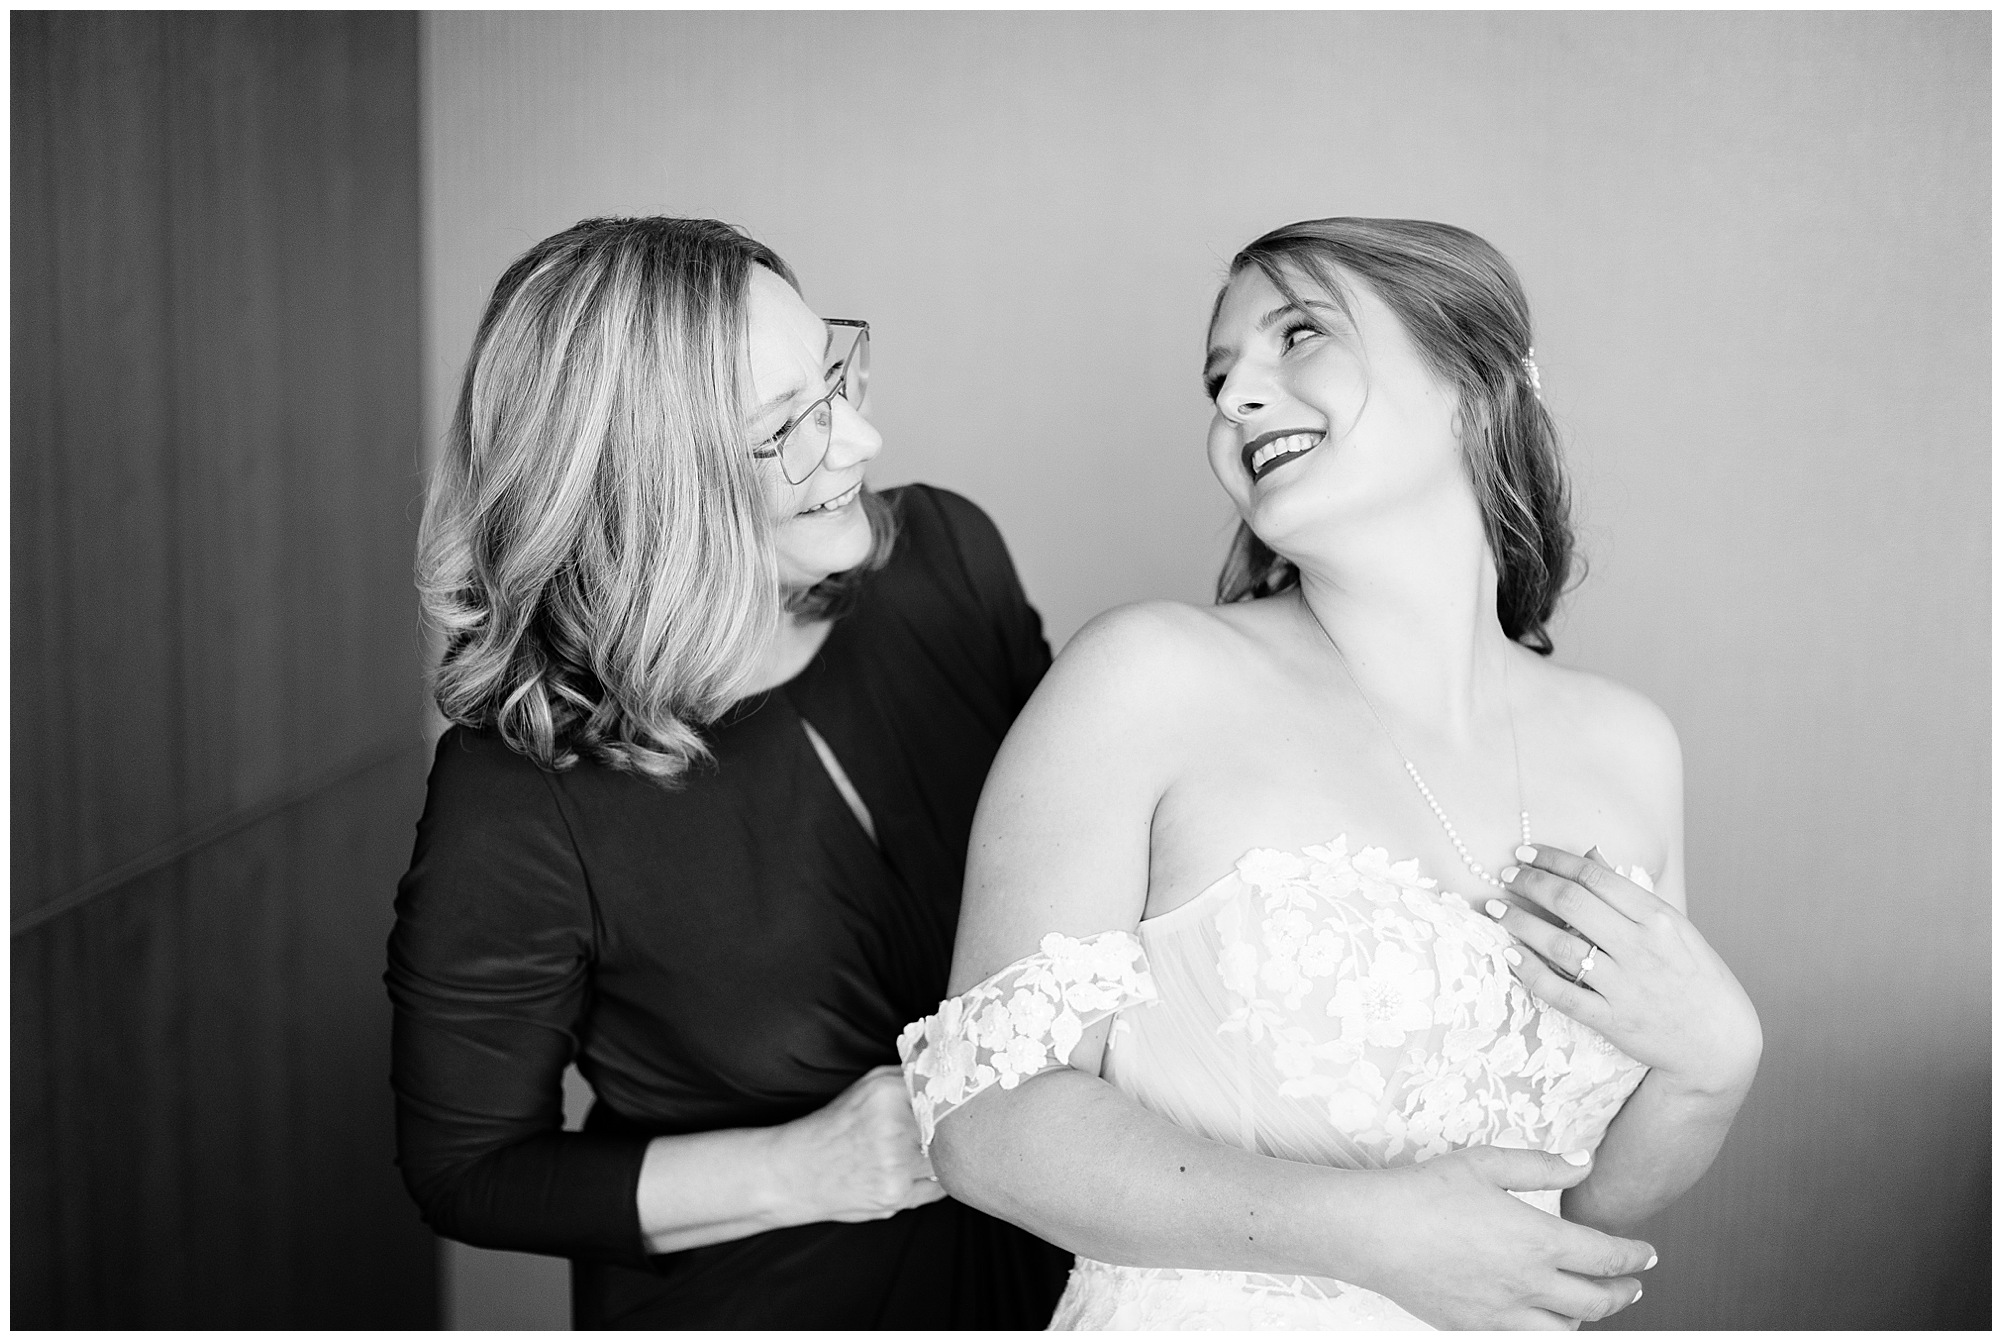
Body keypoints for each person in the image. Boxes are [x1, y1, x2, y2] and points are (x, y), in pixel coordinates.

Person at [900, 218, 1762, 1329]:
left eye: (1298, 334)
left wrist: (1715, 1069)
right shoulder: (1147, 679)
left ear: (1476, 380)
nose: (1234, 397)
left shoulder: (1631, 747)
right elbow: (983, 1117)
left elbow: (1575, 1212)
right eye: (1217, 376)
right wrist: (1362, 1229)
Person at [387, 216, 1071, 1328]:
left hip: (1060, 1271)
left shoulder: (949, 560)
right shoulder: (517, 794)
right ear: (647, 488)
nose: (860, 438)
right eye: (783, 429)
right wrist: (804, 1167)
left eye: (833, 380)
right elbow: (468, 1171)